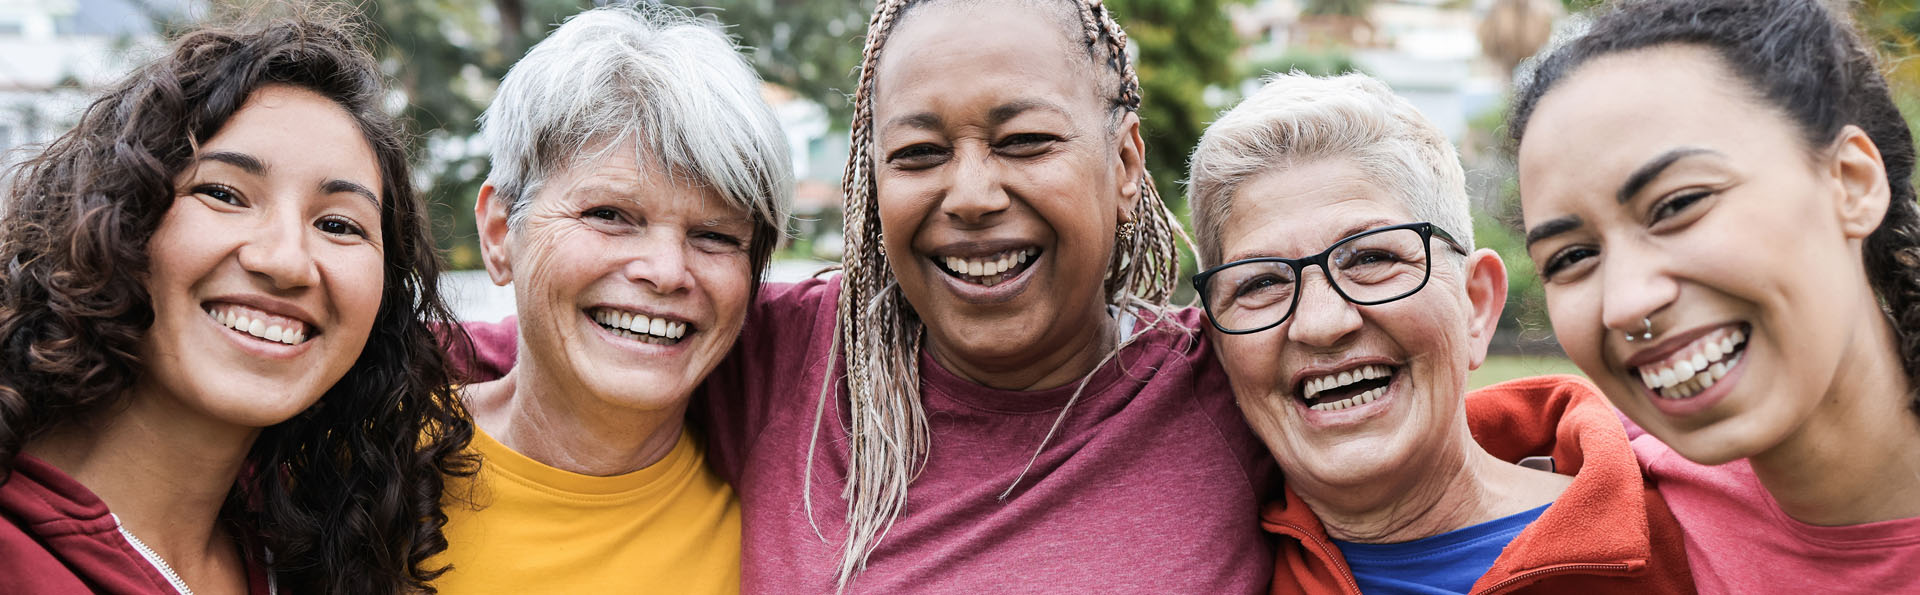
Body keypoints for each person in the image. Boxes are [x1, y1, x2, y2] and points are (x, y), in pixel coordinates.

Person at [458, 0, 1274, 591]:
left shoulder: (1236, 379)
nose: (972, 194)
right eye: (918, 152)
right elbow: (510, 350)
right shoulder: (788, 356)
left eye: (1025, 141)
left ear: (1127, 163)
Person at [0, 14, 471, 595]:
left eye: (340, 225)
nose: (287, 261)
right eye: (223, 193)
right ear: (108, 220)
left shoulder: (315, 548)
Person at [1187, 72, 1693, 593]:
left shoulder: (1694, 542)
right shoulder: (1189, 573)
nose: (1321, 323)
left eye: (1372, 257)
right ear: (1220, 350)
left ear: (1476, 304)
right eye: (1261, 283)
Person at [1511, 0, 1920, 592]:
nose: (1626, 303)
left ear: (1852, 183)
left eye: (1678, 205)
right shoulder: (1590, 516)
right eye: (1572, 257)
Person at [426, 6, 791, 594]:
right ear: (499, 234)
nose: (668, 272)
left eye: (716, 236)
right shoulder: (355, 467)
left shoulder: (786, 549)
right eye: (610, 215)